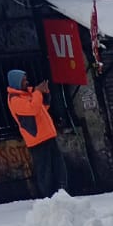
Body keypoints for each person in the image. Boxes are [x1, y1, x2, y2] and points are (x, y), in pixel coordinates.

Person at [6, 69, 68, 199]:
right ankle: (48, 198)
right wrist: (38, 92)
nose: (26, 82)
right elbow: (33, 109)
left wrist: (45, 94)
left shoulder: (28, 95)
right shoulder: (15, 99)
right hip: (37, 140)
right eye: (23, 80)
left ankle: (62, 194)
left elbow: (42, 109)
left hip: (47, 135)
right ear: (16, 82)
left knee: (58, 167)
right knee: (45, 171)